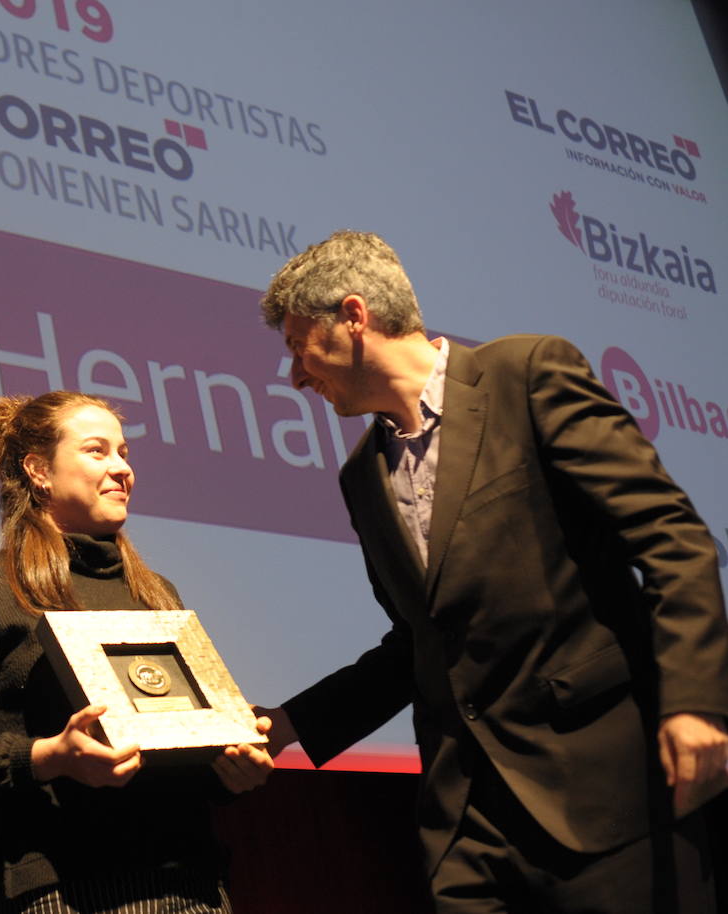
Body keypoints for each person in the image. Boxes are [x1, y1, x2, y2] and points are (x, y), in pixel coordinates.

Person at [256, 230, 728, 913]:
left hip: (605, 796)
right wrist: (290, 724)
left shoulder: (526, 375)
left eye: (300, 346)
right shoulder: (361, 476)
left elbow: (670, 538)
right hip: (468, 824)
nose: (296, 376)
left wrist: (695, 703)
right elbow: (418, 644)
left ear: (355, 317)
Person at [0, 391, 273, 913]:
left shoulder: (156, 593)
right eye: (97, 451)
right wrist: (50, 756)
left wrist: (232, 765)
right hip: (69, 890)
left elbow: (182, 749)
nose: (122, 468)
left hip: (193, 885)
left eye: (124, 452)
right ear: (39, 471)